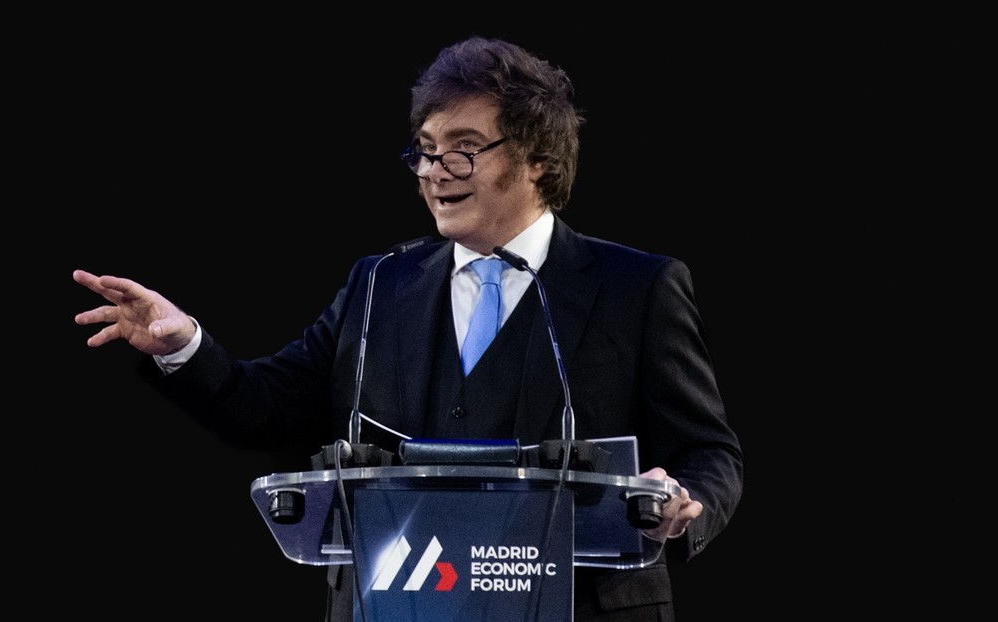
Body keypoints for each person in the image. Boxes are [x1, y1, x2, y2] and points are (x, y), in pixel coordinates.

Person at [73, 36, 742, 621]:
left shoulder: (637, 287)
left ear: (537, 157)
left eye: (464, 149)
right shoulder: (379, 285)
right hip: (397, 602)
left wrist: (684, 503)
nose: (433, 172)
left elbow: (710, 454)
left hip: (579, 606)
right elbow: (269, 410)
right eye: (424, 151)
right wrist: (184, 346)